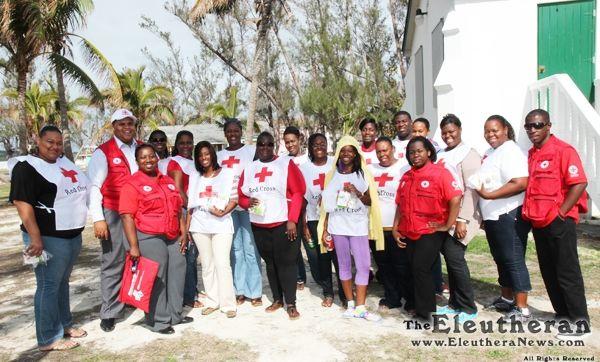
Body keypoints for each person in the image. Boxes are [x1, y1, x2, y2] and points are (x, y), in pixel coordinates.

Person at [9, 126, 89, 351]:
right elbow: (22, 204)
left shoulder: (64, 164)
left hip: (71, 236)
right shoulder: (26, 167)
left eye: (58, 142)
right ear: (37, 140)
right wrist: (35, 238)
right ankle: (48, 338)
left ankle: (65, 324)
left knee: (62, 283)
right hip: (45, 238)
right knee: (48, 285)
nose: (54, 146)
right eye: (49, 142)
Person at [521, 109, 591, 338]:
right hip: (539, 221)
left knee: (567, 272)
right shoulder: (533, 153)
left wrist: (561, 213)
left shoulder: (563, 151)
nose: (533, 130)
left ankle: (580, 323)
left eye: (538, 125)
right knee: (549, 271)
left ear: (549, 126)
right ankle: (563, 315)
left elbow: (579, 183)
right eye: (529, 126)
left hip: (559, 222)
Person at [119, 143, 192, 334]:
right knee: (157, 276)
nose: (148, 160)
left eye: (151, 156)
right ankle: (158, 321)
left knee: (178, 268)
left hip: (172, 234)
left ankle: (175, 315)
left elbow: (177, 210)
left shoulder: (167, 180)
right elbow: (127, 216)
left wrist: (183, 232)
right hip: (148, 235)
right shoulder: (132, 184)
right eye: (143, 157)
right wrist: (133, 246)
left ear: (157, 158)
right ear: (137, 161)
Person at [392, 136, 462, 322]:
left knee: (421, 269)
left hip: (430, 231)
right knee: (411, 269)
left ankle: (427, 314)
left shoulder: (441, 173)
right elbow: (400, 204)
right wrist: (395, 227)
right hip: (408, 229)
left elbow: (455, 198)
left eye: (419, 151)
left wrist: (447, 224)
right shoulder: (407, 176)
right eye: (412, 152)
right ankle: (414, 304)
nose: (415, 155)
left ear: (429, 152)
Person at [238, 132, 306, 320]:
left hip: (283, 223)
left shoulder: (285, 164)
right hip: (259, 224)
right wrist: (246, 203)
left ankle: (291, 303)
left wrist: (292, 219)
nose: (265, 148)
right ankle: (277, 299)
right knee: (270, 263)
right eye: (261, 145)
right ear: (257, 146)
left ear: (273, 146)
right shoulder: (250, 168)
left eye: (269, 145)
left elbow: (299, 192)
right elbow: (242, 196)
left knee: (286, 264)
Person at [318, 135, 384, 321]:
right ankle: (350, 304)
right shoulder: (332, 175)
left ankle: (361, 307)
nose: (346, 154)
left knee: (363, 266)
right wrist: (324, 229)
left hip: (357, 226)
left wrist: (356, 192)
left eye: (350, 151)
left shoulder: (363, 173)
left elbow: (371, 200)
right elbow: (327, 206)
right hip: (337, 226)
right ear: (338, 153)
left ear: (356, 154)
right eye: (343, 151)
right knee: (344, 266)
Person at [473, 115, 532, 322]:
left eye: (495, 130)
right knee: (500, 258)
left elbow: (520, 182)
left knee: (513, 258)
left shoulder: (511, 151)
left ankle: (522, 308)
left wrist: (489, 195)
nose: (491, 134)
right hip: (493, 216)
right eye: (487, 131)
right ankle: (507, 299)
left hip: (509, 213)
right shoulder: (491, 152)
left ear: (505, 129)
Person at [88, 109, 140, 332]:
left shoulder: (141, 147)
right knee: (113, 261)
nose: (127, 127)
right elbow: (94, 187)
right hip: (114, 212)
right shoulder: (103, 152)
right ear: (114, 127)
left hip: (140, 212)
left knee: (138, 258)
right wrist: (98, 219)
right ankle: (110, 311)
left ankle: (133, 300)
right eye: (121, 124)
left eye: (130, 123)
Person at [435, 114, 481, 322]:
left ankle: (468, 307)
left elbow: (472, 189)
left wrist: (462, 219)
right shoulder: (441, 154)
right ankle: (454, 303)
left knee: (456, 259)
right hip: (444, 215)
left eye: (451, 131)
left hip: (462, 215)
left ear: (460, 130)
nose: (448, 136)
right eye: (444, 133)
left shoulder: (469, 154)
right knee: (450, 261)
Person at [187, 141, 238, 318]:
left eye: (207, 154)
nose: (204, 158)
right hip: (199, 225)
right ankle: (212, 301)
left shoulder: (227, 173)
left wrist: (224, 211)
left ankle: (228, 304)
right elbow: (190, 206)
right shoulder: (195, 177)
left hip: (221, 224)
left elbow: (234, 199)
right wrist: (187, 229)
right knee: (207, 265)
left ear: (213, 154)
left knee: (222, 264)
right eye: (200, 155)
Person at [217, 119, 262, 306]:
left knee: (251, 249)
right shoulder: (219, 155)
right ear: (225, 134)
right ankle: (239, 290)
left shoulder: (251, 151)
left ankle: (255, 291)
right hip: (228, 208)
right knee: (235, 250)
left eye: (236, 130)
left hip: (248, 206)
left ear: (241, 131)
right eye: (229, 131)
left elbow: (260, 174)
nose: (233, 134)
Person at [299, 133, 345, 307]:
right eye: (315, 144)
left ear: (327, 145)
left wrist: (328, 197)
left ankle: (344, 293)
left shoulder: (336, 163)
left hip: (337, 218)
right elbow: (303, 199)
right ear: (310, 148)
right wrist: (304, 225)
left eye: (322, 143)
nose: (319, 147)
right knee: (323, 257)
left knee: (339, 257)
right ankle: (328, 293)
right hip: (314, 218)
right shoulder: (304, 168)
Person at [367, 137, 412, 313]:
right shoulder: (371, 169)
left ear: (392, 149)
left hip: (398, 226)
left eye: (385, 150)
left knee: (402, 265)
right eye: (378, 151)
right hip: (376, 227)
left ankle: (410, 299)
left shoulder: (403, 167)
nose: (382, 154)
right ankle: (392, 297)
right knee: (384, 265)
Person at [167, 130, 199, 308]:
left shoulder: (192, 162)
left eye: (189, 142)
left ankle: (191, 291)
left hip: (194, 210)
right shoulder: (175, 163)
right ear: (176, 145)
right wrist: (191, 208)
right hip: (186, 211)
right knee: (188, 254)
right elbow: (178, 190)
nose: (186, 146)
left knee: (193, 254)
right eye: (182, 143)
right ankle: (189, 296)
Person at [282, 126, 311, 291]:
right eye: (287, 142)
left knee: (311, 246)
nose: (290, 145)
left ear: (299, 140)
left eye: (293, 141)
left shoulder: (308, 159)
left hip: (310, 209)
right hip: (293, 209)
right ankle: (300, 276)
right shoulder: (283, 161)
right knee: (294, 245)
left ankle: (321, 275)